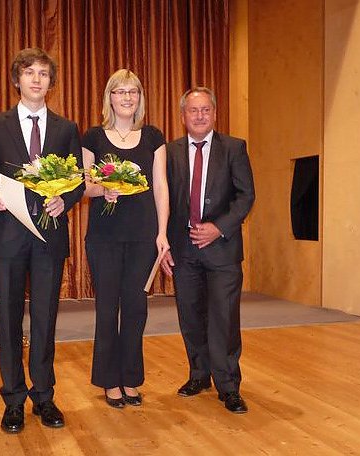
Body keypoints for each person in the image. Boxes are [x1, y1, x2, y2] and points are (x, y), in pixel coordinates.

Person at [0, 48, 83, 433]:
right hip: (8, 235)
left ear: (51, 82)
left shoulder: (66, 129)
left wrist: (65, 199)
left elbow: (77, 179)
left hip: (49, 236)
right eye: (29, 72)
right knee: (8, 320)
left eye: (44, 73)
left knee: (45, 318)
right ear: (16, 79)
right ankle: (14, 399)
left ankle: (44, 395)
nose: (37, 79)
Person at [160, 87, 255, 414]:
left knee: (224, 319)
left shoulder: (234, 148)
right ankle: (199, 374)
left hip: (223, 249)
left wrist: (219, 227)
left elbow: (246, 196)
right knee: (190, 315)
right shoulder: (169, 152)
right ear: (183, 116)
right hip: (184, 249)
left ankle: (228, 386)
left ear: (214, 113)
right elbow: (162, 200)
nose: (199, 116)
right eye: (193, 110)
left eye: (205, 110)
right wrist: (164, 243)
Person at [83, 69, 169, 408]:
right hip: (104, 236)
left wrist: (162, 232)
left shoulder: (153, 136)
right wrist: (104, 189)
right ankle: (109, 380)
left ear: (140, 98)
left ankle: (131, 378)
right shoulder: (93, 137)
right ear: (110, 97)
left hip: (143, 234)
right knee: (107, 309)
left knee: (136, 308)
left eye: (133, 91)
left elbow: (160, 186)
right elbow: (84, 186)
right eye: (120, 91)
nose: (127, 97)